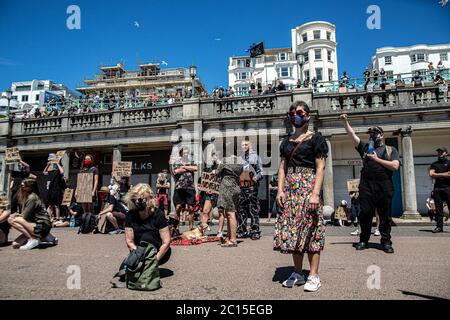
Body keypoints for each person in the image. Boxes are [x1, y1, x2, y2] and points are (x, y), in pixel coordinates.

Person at [274, 100, 328, 292]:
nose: (295, 116)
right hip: (290, 187)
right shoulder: (286, 141)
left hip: (308, 185)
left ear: (307, 116)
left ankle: (313, 275)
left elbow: (321, 167)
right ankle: (297, 272)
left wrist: (315, 193)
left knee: (312, 231)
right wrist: (280, 190)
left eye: (299, 112)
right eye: (292, 113)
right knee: (293, 231)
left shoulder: (316, 139)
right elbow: (282, 167)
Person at [340, 114, 400, 253]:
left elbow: (395, 166)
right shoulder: (366, 147)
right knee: (365, 213)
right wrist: (345, 122)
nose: (372, 135)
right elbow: (352, 135)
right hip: (366, 186)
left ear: (382, 135)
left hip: (384, 186)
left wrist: (376, 159)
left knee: (385, 215)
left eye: (375, 133)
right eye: (371, 133)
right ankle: (363, 240)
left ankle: (386, 242)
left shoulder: (391, 150)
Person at [123, 183, 171, 265]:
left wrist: (155, 260)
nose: (137, 202)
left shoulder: (158, 214)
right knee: (124, 271)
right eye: (134, 200)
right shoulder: (130, 215)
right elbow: (129, 241)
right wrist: (137, 256)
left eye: (141, 200)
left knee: (146, 237)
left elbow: (166, 242)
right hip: (139, 252)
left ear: (148, 199)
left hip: (159, 253)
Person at [8, 179, 57, 250]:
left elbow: (24, 216)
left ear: (29, 188)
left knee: (11, 220)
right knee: (15, 245)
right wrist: (17, 214)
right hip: (35, 224)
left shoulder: (32, 198)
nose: (21, 188)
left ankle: (33, 239)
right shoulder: (27, 196)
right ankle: (47, 237)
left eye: (23, 186)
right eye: (21, 186)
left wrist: (15, 215)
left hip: (42, 226)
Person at [237, 138, 263, 240]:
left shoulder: (256, 157)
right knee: (241, 209)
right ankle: (241, 230)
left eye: (246, 145)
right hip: (241, 186)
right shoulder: (240, 158)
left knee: (253, 209)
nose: (244, 147)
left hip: (252, 186)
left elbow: (261, 172)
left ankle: (254, 231)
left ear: (250, 145)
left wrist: (256, 178)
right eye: (242, 145)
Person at [215, 154, 244, 247]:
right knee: (231, 213)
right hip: (236, 187)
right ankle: (228, 237)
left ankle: (233, 239)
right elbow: (240, 172)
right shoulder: (240, 163)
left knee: (230, 214)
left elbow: (217, 172)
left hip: (227, 188)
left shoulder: (225, 160)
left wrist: (218, 163)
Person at [170, 147, 198, 233]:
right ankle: (176, 228)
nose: (186, 153)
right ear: (181, 153)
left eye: (187, 152)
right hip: (179, 188)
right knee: (178, 208)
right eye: (184, 152)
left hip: (190, 188)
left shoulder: (191, 161)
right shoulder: (176, 162)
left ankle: (191, 228)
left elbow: (196, 168)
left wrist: (184, 166)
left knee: (191, 208)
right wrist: (188, 168)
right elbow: (177, 171)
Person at [429, 147, 450, 233]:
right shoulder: (434, 164)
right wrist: (444, 174)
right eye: (438, 152)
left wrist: (437, 174)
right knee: (438, 210)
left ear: (446, 153)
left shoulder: (449, 163)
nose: (439, 154)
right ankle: (439, 227)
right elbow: (431, 174)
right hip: (437, 189)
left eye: (441, 152)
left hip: (448, 188)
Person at [43, 154, 66, 223]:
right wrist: (47, 165)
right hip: (50, 188)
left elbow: (62, 172)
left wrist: (57, 163)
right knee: (50, 205)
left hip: (56, 188)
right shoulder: (51, 171)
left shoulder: (58, 170)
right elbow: (44, 173)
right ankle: (50, 218)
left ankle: (57, 218)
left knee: (56, 205)